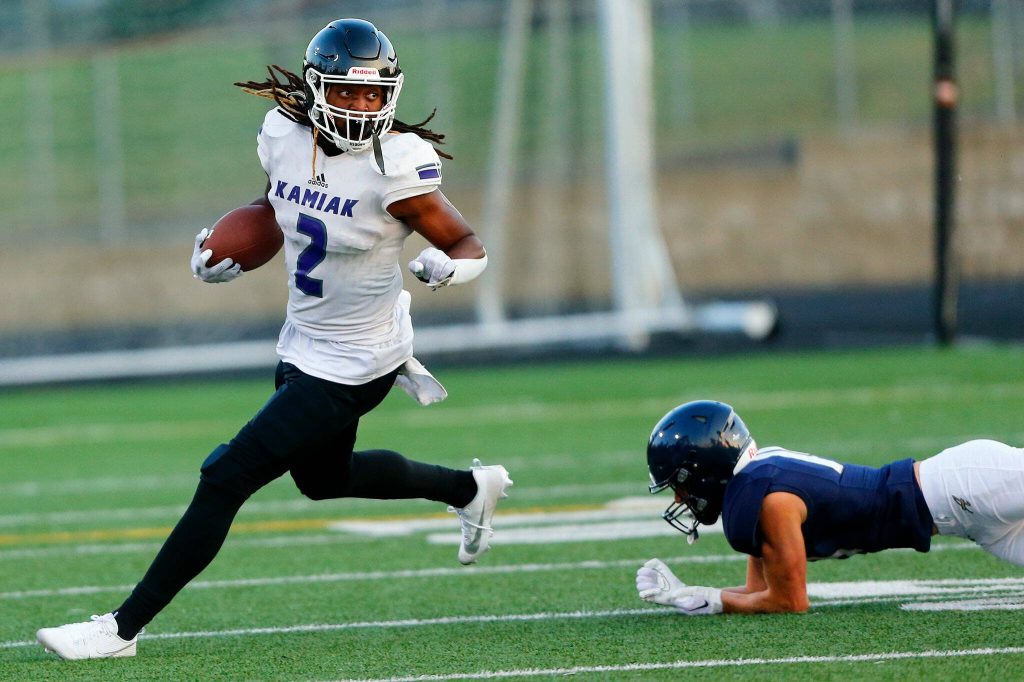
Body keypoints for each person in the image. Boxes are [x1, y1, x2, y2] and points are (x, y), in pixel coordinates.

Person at [36, 18, 512, 660]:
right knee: (324, 478)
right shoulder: (285, 134)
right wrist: (223, 250)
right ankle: (468, 489)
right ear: (317, 90)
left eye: (372, 94)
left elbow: (468, 243)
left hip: (360, 359)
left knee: (226, 475)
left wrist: (450, 267)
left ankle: (120, 629)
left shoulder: (396, 166)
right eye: (346, 92)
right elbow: (276, 207)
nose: (360, 106)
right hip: (303, 342)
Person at [634, 399, 1024, 616]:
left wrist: (714, 600)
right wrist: (689, 595)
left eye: (680, 485)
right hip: (970, 524)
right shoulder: (755, 485)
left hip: (962, 485)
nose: (680, 499)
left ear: (704, 469)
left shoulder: (763, 496)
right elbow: (761, 591)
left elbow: (790, 602)